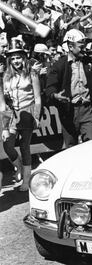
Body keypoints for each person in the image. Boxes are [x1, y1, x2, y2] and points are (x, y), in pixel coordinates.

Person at [45, 29, 92, 148]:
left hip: (87, 110)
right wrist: (56, 95)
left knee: (91, 145)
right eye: (80, 46)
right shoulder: (59, 65)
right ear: (70, 47)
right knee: (71, 147)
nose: (84, 49)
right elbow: (50, 87)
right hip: (69, 111)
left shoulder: (90, 63)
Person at [0, 38, 41, 191]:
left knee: (25, 146)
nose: (16, 61)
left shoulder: (32, 73)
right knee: (7, 144)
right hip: (11, 114)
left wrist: (36, 116)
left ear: (24, 58)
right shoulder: (5, 76)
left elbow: (37, 98)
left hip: (28, 111)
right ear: (9, 60)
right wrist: (4, 125)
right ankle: (18, 166)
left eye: (19, 57)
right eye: (13, 58)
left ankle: (26, 178)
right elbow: (3, 102)